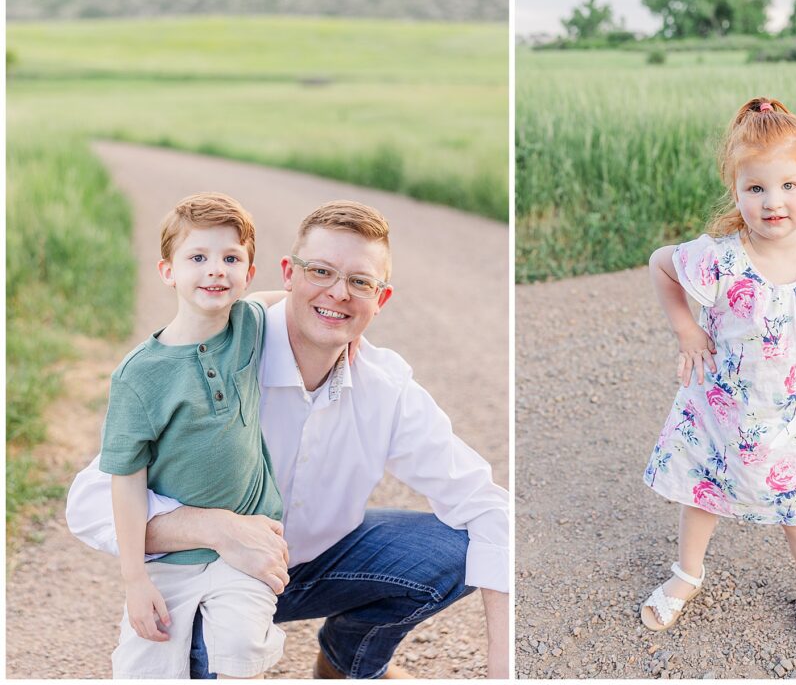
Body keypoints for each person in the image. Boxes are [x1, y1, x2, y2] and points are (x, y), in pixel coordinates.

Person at [68, 199, 510, 678]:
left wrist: (501, 672)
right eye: (320, 271)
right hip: (213, 575)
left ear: (380, 300)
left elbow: (489, 507)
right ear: (289, 274)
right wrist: (214, 528)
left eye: (360, 282)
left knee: (455, 549)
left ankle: (346, 662)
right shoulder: (219, 355)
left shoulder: (386, 386)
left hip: (318, 566)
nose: (339, 293)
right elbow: (88, 502)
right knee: (206, 661)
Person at [640, 98, 796, 657]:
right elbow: (659, 263)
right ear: (737, 192)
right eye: (756, 189)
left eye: (789, 186)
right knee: (704, 494)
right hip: (717, 410)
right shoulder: (720, 258)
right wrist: (687, 332)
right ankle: (686, 574)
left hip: (781, 418)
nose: (773, 203)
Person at [100, 192, 285, 678]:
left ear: (248, 270)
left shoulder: (248, 324)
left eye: (231, 258)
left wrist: (351, 336)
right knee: (144, 666)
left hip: (247, 541)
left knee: (241, 648)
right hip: (170, 559)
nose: (215, 270)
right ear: (168, 272)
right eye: (198, 258)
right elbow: (125, 481)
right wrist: (135, 579)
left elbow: (283, 302)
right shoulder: (139, 377)